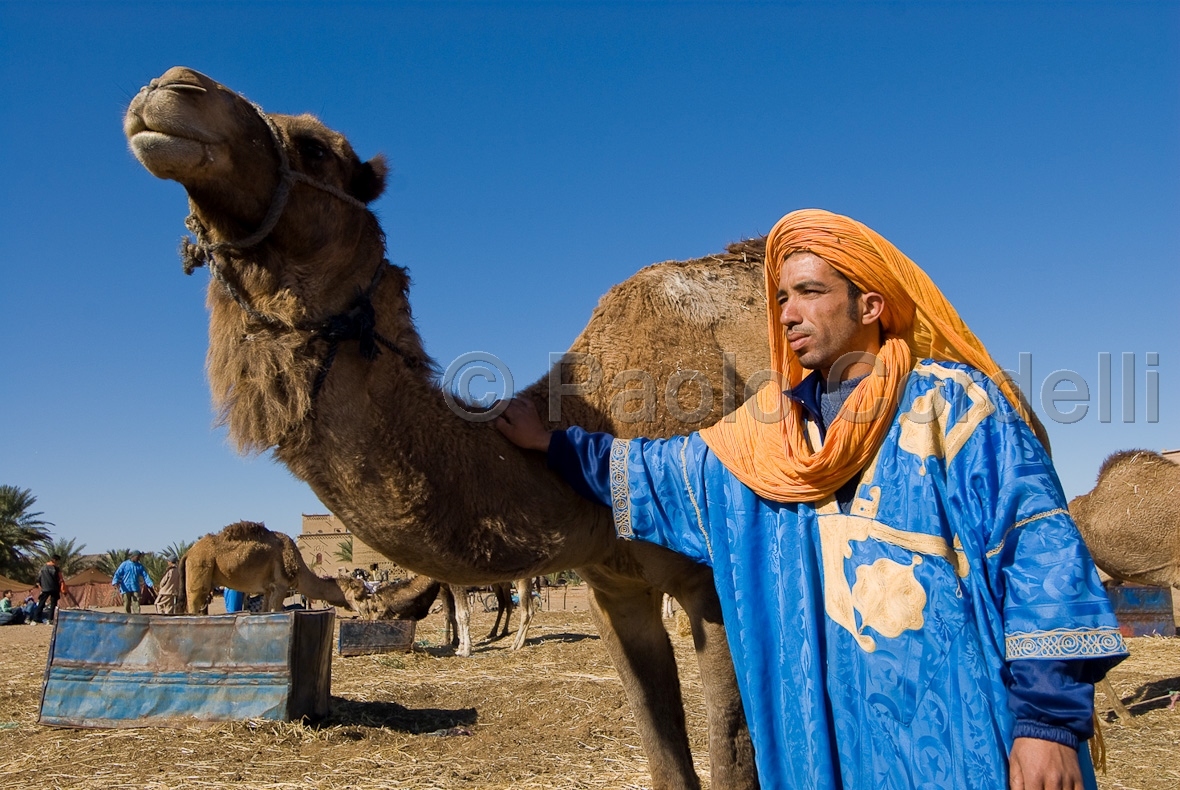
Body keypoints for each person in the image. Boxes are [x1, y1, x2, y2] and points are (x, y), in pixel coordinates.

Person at [496, 209, 1127, 790]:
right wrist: (548, 442)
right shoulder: (765, 443)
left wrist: (1048, 726)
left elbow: (1039, 554)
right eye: (780, 299)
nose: (787, 314)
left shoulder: (954, 408)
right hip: (825, 754)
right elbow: (654, 470)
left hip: (969, 746)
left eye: (810, 293)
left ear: (872, 304)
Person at [32, 555, 63, 623]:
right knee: (53, 605)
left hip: (45, 588)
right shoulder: (56, 568)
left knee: (41, 603)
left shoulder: (43, 568)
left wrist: (41, 586)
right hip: (54, 588)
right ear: (55, 560)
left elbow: (39, 578)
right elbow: (60, 579)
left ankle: (35, 619)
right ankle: (50, 619)